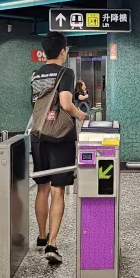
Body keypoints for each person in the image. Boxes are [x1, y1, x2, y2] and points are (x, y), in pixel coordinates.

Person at [30, 32, 86, 263]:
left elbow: (35, 105)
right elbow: (65, 103)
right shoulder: (66, 72)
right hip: (60, 137)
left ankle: (41, 236)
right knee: (57, 190)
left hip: (38, 134)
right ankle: (52, 244)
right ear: (63, 51)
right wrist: (81, 114)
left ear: (45, 52)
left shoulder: (35, 75)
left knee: (42, 188)